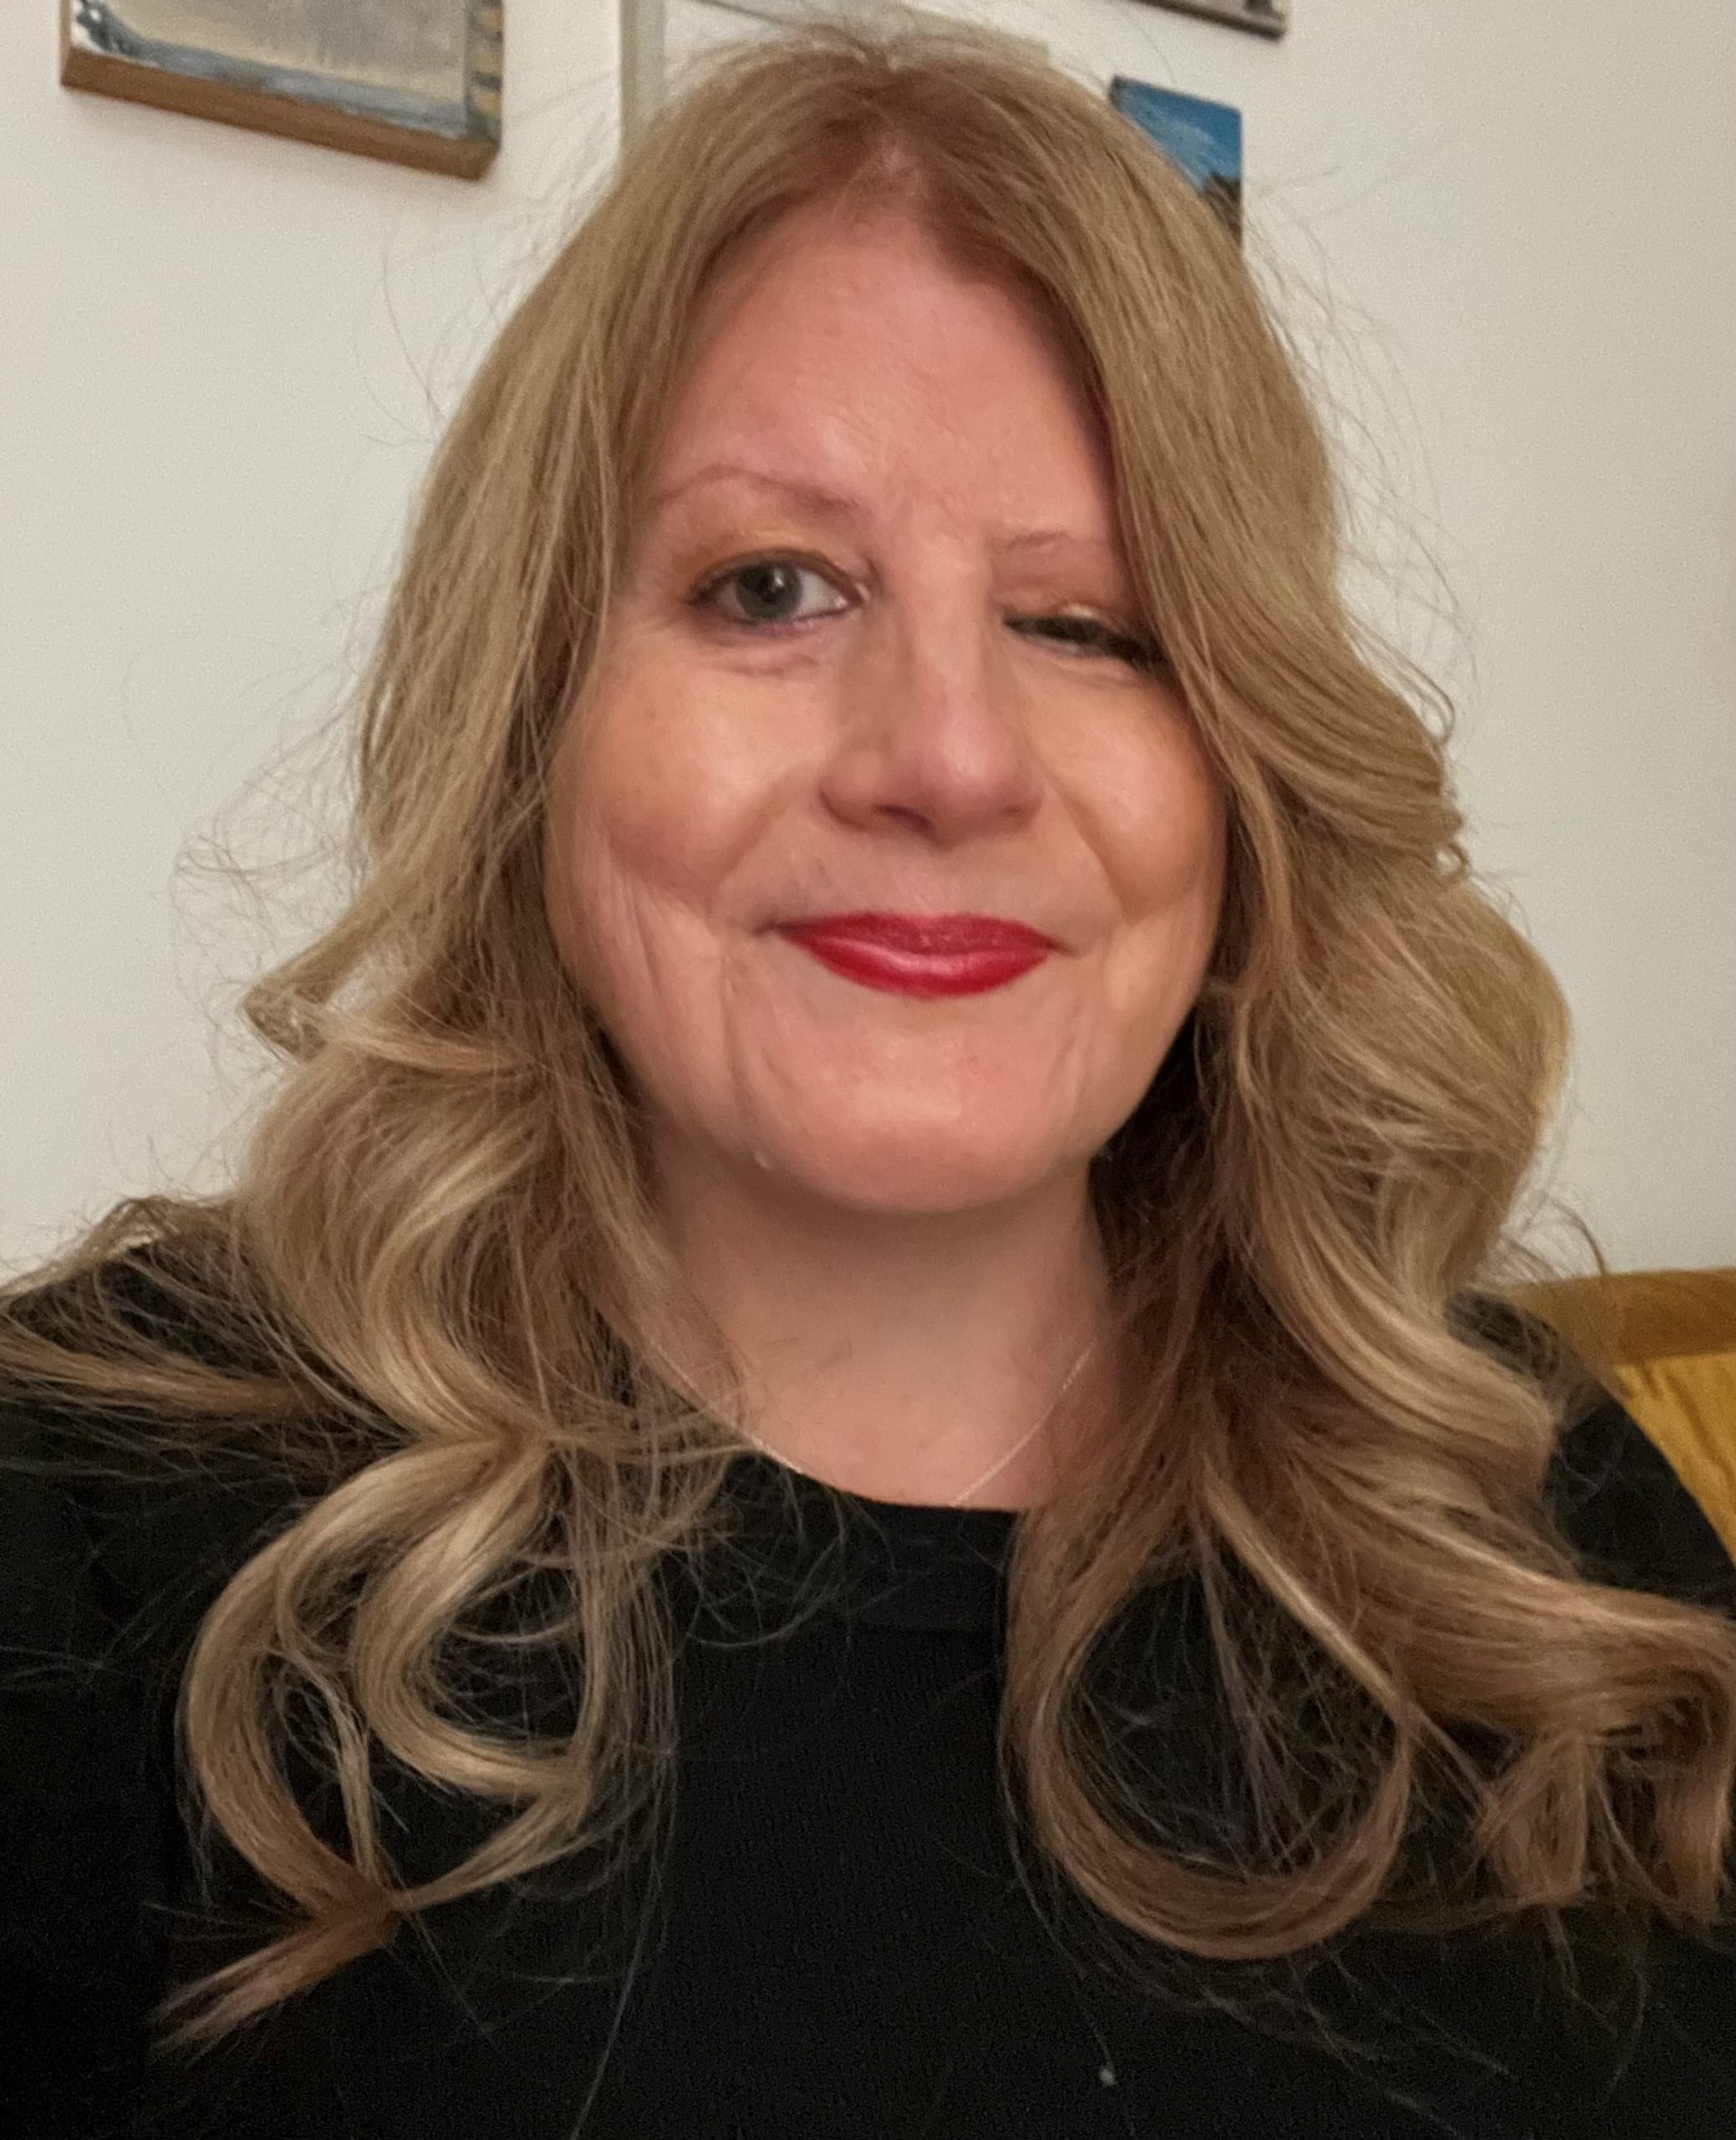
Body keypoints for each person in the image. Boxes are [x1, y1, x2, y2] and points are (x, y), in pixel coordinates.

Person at [3, 19, 1734, 2139]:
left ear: (1242, 773)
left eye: (1089, 623)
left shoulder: (1546, 1537)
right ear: (532, 716)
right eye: (771, 588)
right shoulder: (88, 1535)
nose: (948, 755)